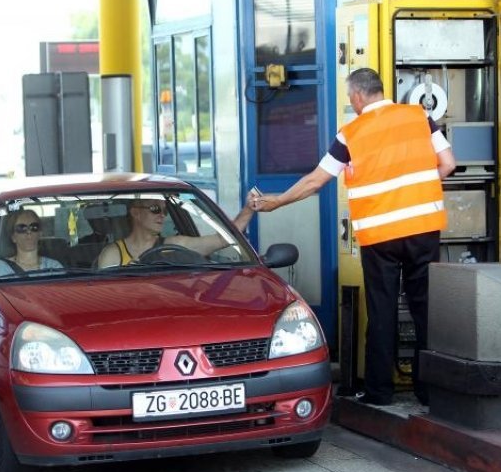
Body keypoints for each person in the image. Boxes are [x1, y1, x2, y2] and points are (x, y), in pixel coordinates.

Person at [252, 67, 456, 406]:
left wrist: (277, 202)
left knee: (382, 309)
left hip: (381, 236)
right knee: (425, 310)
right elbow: (448, 164)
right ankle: (428, 390)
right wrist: (417, 186)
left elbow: (316, 181)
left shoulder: (352, 133)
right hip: (423, 228)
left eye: (350, 97)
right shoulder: (419, 117)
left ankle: (379, 392)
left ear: (358, 96)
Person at [96, 196, 257, 268]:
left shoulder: (175, 245)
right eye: (155, 208)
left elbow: (222, 240)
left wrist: (249, 209)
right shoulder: (112, 254)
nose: (162, 215)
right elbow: (106, 294)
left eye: (165, 211)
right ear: (136, 213)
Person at [0, 209, 63, 275]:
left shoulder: (54, 267)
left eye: (34, 227)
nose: (29, 232)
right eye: (22, 228)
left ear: (40, 234)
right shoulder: (2, 267)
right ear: (13, 237)